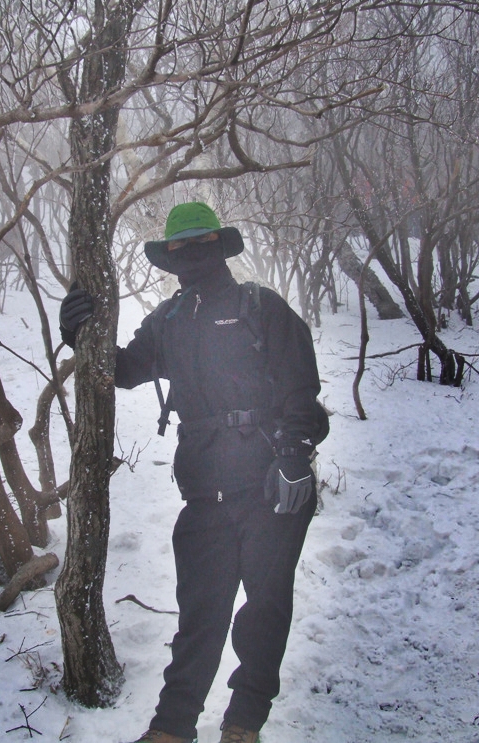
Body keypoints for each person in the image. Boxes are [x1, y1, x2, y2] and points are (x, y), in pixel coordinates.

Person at [59, 202, 330, 743]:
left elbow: (302, 386)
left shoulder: (261, 306)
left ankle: (243, 723)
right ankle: (172, 729)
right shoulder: (169, 320)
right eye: (178, 249)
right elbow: (126, 370)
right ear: (168, 258)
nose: (190, 256)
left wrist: (297, 457)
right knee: (199, 619)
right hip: (204, 491)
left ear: (221, 246)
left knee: (265, 612)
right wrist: (80, 335)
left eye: (200, 244)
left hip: (271, 485)